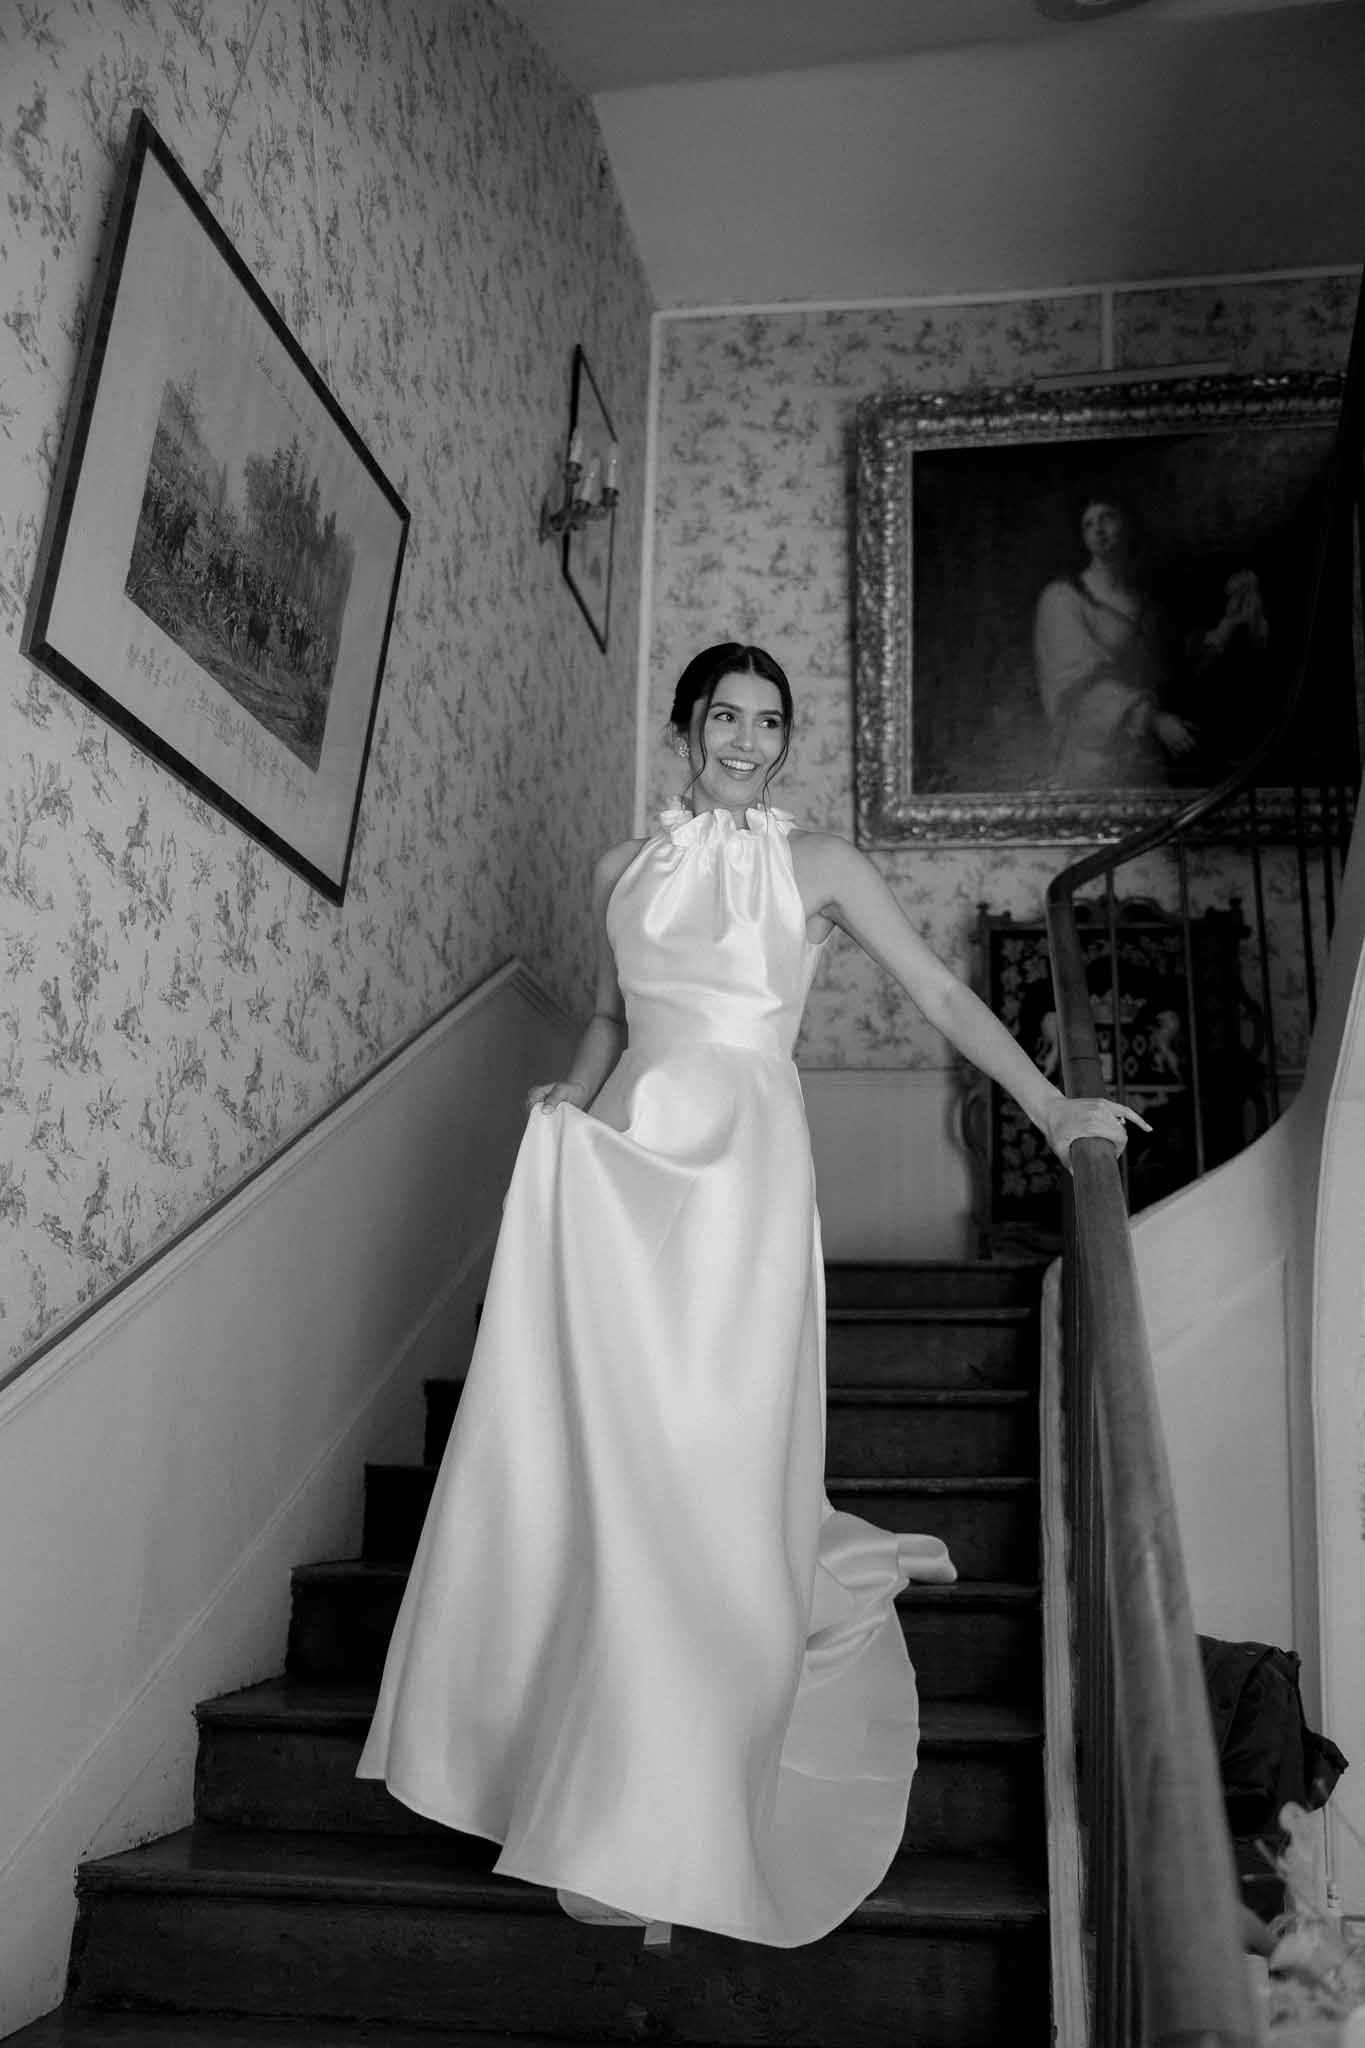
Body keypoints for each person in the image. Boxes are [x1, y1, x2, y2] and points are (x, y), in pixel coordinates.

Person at [356, 642, 1146, 1949]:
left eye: (766, 722)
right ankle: (614, 1806)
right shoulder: (621, 872)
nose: (743, 738)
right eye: (722, 716)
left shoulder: (818, 866)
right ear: (685, 728)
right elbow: (615, 1019)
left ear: (783, 741)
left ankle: (689, 1816)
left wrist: (1055, 1105)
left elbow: (938, 988)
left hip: (745, 1192)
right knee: (624, 1488)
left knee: (717, 1492)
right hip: (624, 1185)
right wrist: (567, 1096)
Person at [1034, 496, 1268, 789]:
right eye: (1088, 524)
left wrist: (1229, 623)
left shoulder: (1145, 604)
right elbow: (1080, 688)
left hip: (1150, 762)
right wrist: (1153, 719)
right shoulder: (1062, 599)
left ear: (1128, 525)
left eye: (1107, 517)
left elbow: (1190, 659)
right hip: (1093, 765)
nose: (1098, 529)